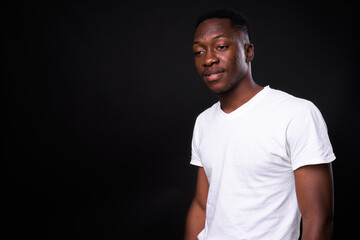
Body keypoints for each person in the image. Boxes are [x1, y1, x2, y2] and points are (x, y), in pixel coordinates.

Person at [184, 8, 335, 240]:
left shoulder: (296, 114)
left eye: (221, 46)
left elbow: (318, 218)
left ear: (248, 51)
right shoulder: (204, 122)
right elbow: (202, 206)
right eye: (198, 51)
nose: (208, 59)